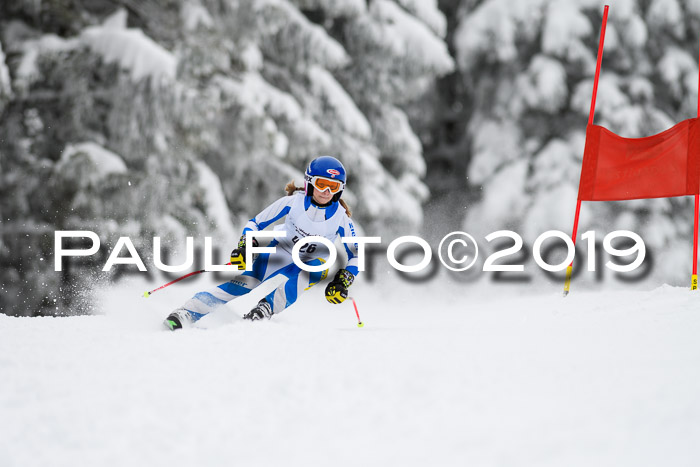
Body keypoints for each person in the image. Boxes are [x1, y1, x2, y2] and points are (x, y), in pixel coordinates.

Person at [164, 156, 360, 330]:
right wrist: (245, 247)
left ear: (340, 190)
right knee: (243, 284)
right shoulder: (294, 202)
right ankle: (188, 312)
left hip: (314, 261)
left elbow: (356, 255)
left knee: (310, 274)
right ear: (310, 183)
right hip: (282, 251)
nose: (326, 191)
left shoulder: (341, 218)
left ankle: (265, 309)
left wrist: (343, 280)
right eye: (321, 184)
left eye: (333, 187)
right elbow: (256, 223)